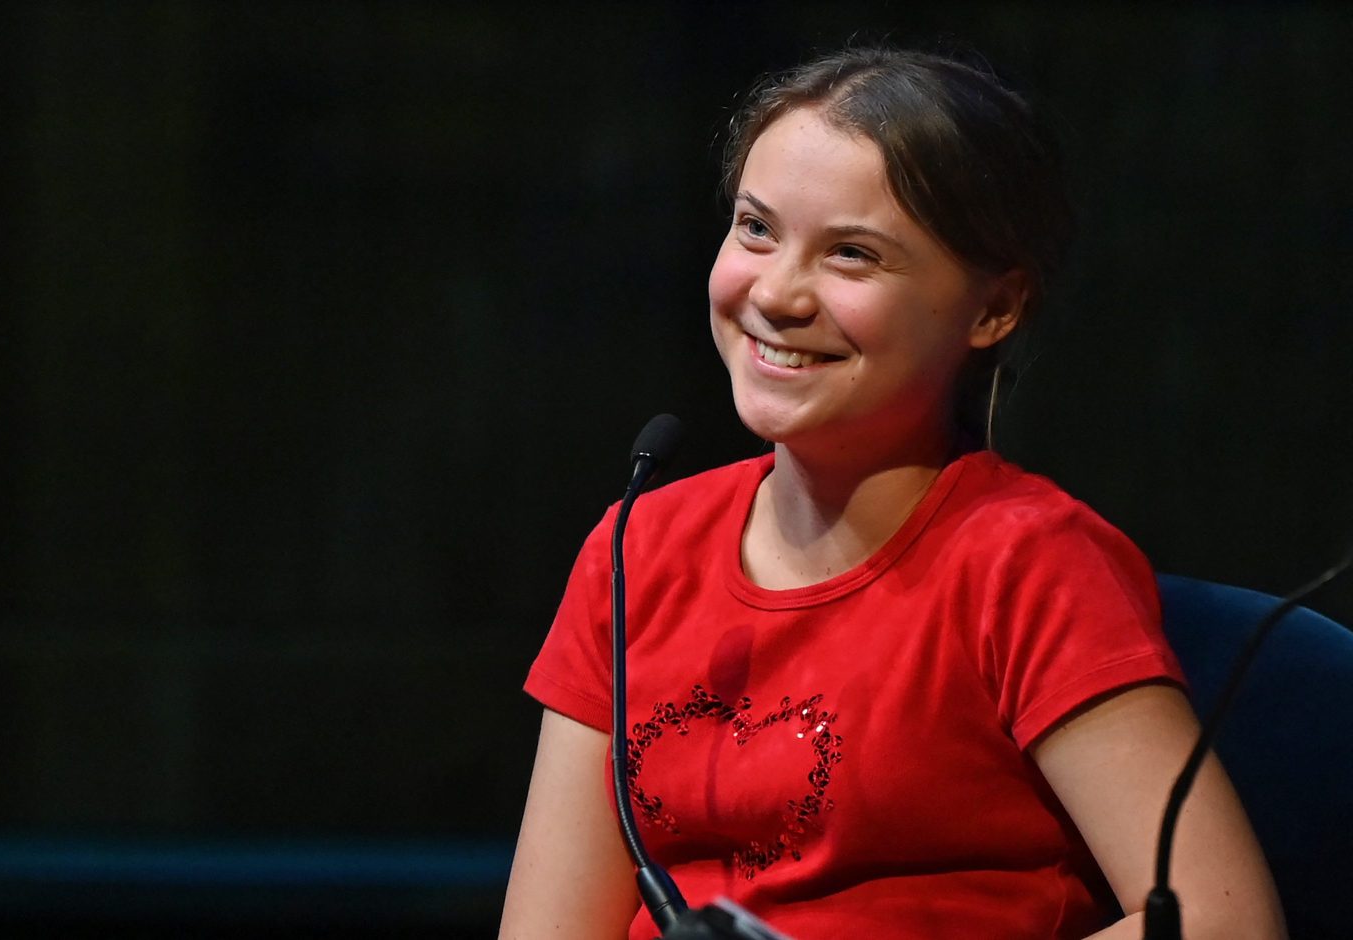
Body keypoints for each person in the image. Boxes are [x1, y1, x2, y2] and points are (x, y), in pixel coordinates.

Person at [499, 46, 1286, 940]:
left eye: (851, 255)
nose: (779, 293)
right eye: (756, 229)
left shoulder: (1026, 562)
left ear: (994, 309)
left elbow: (1222, 923)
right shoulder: (636, 546)